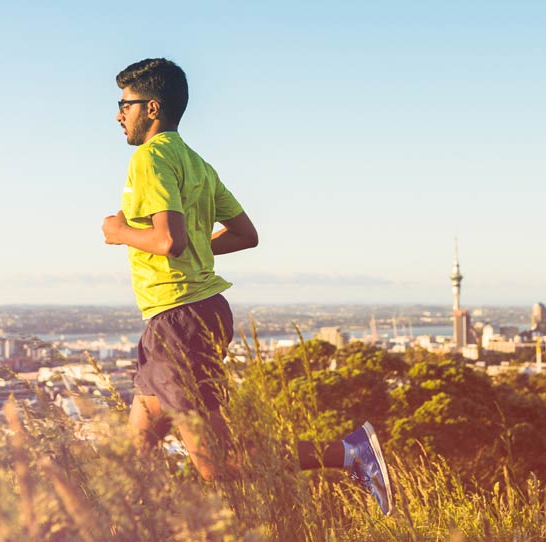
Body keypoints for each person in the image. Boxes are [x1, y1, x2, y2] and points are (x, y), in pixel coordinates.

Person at [101, 58, 391, 514]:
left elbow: (167, 240)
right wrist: (196, 246)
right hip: (186, 315)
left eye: (124, 104)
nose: (118, 114)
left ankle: (348, 452)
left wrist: (119, 234)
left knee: (218, 464)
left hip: (179, 319)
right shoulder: (196, 164)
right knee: (134, 455)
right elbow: (244, 234)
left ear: (151, 107)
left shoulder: (149, 159)